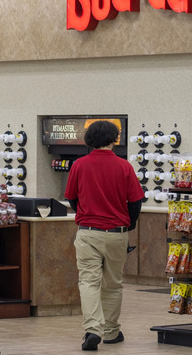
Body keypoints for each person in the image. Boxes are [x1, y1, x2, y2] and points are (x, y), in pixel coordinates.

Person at [64, 120, 144, 351]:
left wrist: (85, 213)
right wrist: (129, 225)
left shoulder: (79, 165)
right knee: (113, 284)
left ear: (89, 139)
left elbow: (71, 198)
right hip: (117, 233)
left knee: (89, 281)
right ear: (115, 139)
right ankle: (111, 332)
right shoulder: (124, 166)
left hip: (88, 232)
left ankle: (93, 329)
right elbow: (135, 201)